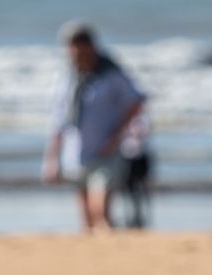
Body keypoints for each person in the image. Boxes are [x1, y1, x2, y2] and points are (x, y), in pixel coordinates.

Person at [42, 21, 146, 233]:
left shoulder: (111, 73)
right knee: (87, 220)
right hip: (75, 152)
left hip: (105, 151)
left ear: (92, 46)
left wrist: (116, 136)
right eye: (72, 51)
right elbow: (58, 121)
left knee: (101, 213)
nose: (77, 56)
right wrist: (52, 159)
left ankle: (113, 253)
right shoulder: (67, 78)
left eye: (81, 50)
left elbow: (137, 101)